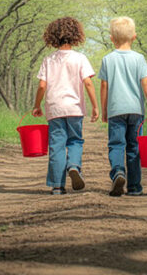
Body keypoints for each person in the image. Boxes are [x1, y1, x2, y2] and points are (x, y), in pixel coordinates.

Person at [32, 17, 99, 195]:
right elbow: (88, 83)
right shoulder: (80, 58)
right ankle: (74, 166)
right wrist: (95, 106)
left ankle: (57, 186)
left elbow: (41, 86)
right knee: (75, 140)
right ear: (76, 35)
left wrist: (37, 105)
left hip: (54, 109)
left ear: (52, 36)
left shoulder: (49, 60)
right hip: (75, 108)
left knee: (57, 146)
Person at [99, 16, 147, 197]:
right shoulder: (139, 58)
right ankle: (134, 187)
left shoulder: (107, 59)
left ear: (111, 38)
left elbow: (104, 86)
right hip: (136, 111)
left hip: (116, 111)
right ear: (134, 37)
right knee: (134, 147)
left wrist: (104, 109)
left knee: (116, 145)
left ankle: (118, 171)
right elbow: (146, 83)